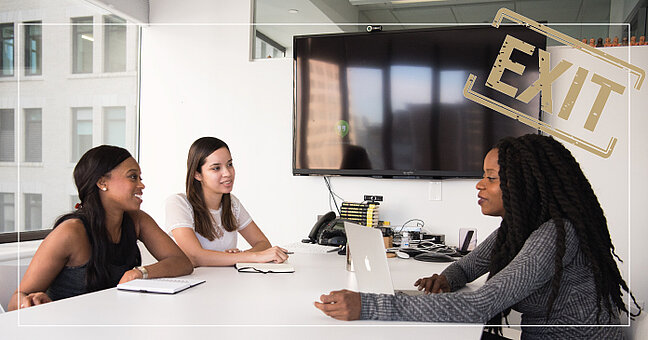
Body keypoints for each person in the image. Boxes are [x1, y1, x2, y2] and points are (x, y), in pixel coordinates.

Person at [315, 134, 637, 339]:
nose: (479, 185)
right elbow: (468, 267)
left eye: (491, 177)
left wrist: (369, 306)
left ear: (523, 186)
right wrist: (446, 278)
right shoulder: (515, 232)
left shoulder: (554, 235)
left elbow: (481, 304)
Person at [8, 146, 193, 311]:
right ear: (102, 183)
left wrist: (139, 272)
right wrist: (29, 302)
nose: (141, 185)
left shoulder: (137, 220)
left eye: (140, 177)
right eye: (132, 177)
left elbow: (181, 262)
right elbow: (16, 300)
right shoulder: (71, 232)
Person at [164, 137, 288, 266]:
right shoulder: (178, 203)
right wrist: (247, 256)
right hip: (196, 283)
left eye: (229, 164)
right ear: (197, 174)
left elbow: (263, 243)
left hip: (226, 281)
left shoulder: (232, 203)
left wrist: (239, 257)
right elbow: (195, 256)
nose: (227, 173)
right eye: (216, 168)